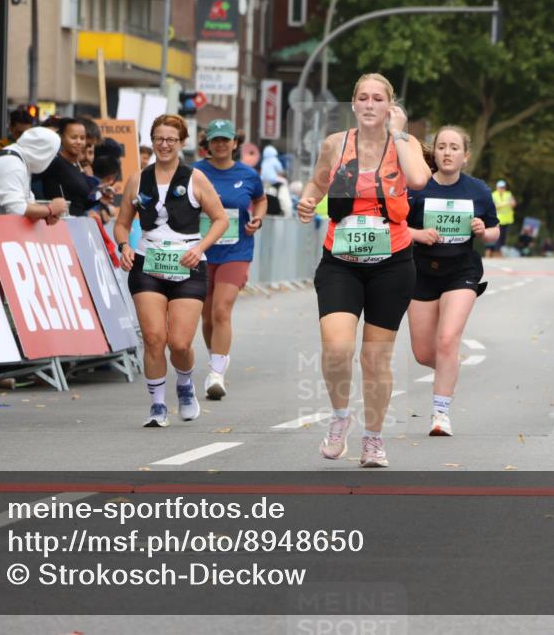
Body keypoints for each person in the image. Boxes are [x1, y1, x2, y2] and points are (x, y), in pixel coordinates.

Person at [296, 73, 431, 468]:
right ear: (353, 104)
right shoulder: (336, 145)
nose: (370, 105)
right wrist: (307, 202)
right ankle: (341, 418)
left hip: (393, 262)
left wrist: (401, 132)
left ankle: (373, 439)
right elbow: (317, 185)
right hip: (341, 261)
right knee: (337, 347)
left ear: (390, 106)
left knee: (375, 358)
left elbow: (419, 179)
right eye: (363, 98)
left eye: (378, 99)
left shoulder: (404, 146)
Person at [113, 114, 230, 428]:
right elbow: (122, 223)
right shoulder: (138, 179)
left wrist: (199, 248)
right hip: (147, 263)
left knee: (179, 343)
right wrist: (124, 245)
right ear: (152, 141)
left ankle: (185, 383)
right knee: (153, 339)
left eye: (171, 140)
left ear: (182, 143)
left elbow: (221, 220)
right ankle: (157, 406)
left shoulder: (195, 178)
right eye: (159, 139)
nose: (164, 145)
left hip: (186, 264)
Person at [406, 126, 499, 437]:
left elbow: (495, 230)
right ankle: (449, 367)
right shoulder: (416, 189)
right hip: (420, 271)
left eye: (454, 148)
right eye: (442, 146)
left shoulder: (478, 191)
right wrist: (418, 234)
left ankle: (440, 414)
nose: (447, 152)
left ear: (465, 156)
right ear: (435, 153)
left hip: (462, 271)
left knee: (447, 340)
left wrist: (483, 232)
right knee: (423, 353)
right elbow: (395, 228)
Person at [194, 119, 267, 401]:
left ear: (235, 143)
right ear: (208, 145)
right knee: (207, 314)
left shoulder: (248, 174)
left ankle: (216, 373)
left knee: (222, 310)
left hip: (236, 250)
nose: (221, 144)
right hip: (201, 251)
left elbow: (260, 199)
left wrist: (258, 217)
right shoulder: (195, 172)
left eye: (226, 139)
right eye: (216, 140)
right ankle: (218, 356)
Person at [0, 126, 68, 221]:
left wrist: (46, 214)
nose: (53, 158)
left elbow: (28, 203)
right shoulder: (13, 165)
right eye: (52, 154)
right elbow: (17, 209)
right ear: (43, 152)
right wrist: (49, 209)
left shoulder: (19, 159)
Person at [38, 118, 96, 215]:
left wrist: (100, 191)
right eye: (73, 137)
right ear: (61, 138)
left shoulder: (78, 167)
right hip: (59, 223)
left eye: (82, 138)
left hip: (78, 224)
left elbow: (85, 201)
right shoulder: (54, 162)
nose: (79, 142)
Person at [490, 179, 516, 257]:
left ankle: (500, 251)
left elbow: (513, 203)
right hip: (498, 220)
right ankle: (497, 251)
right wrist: (505, 204)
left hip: (507, 219)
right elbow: (493, 206)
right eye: (500, 187)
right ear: (497, 187)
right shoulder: (493, 195)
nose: (502, 189)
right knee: (498, 236)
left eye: (503, 187)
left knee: (504, 237)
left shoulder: (508, 194)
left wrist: (503, 204)